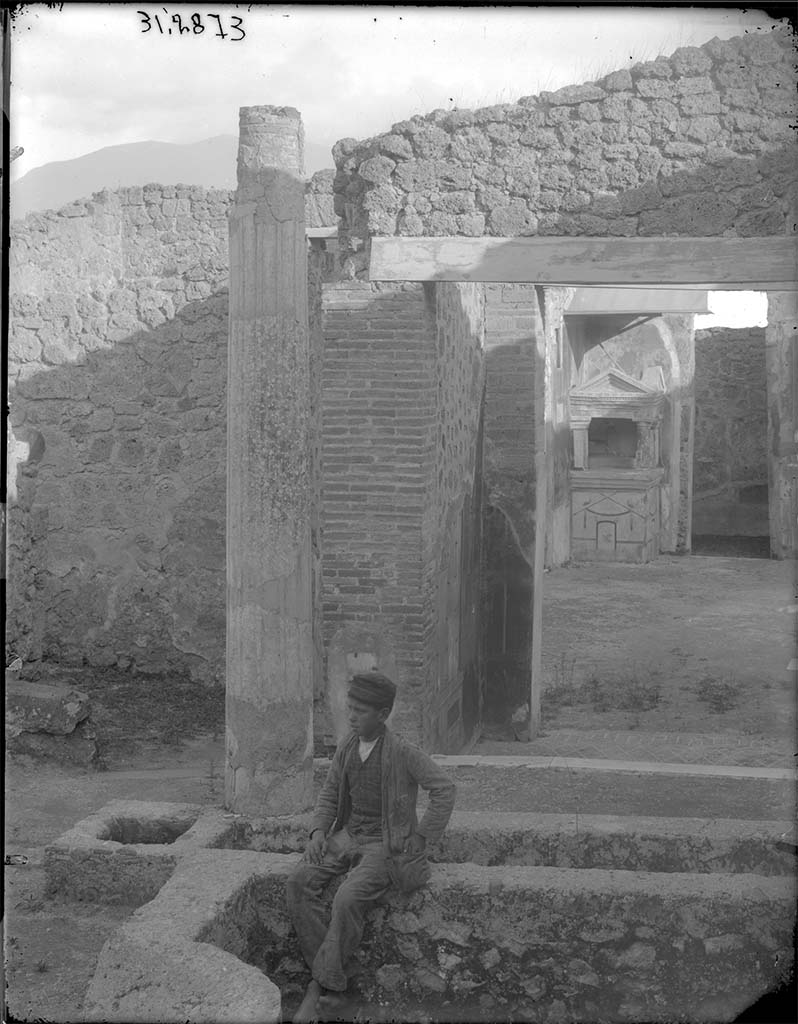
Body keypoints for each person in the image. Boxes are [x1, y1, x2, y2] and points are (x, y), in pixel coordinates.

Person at [286, 671, 456, 1022]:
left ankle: (319, 988)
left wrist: (421, 836)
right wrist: (318, 831)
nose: (351, 716)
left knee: (347, 897)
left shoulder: (403, 752)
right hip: (348, 834)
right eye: (350, 708)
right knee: (298, 882)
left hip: (384, 843)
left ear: (383, 714)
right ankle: (339, 979)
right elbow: (331, 792)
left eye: (360, 711)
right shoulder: (347, 747)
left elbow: (444, 789)